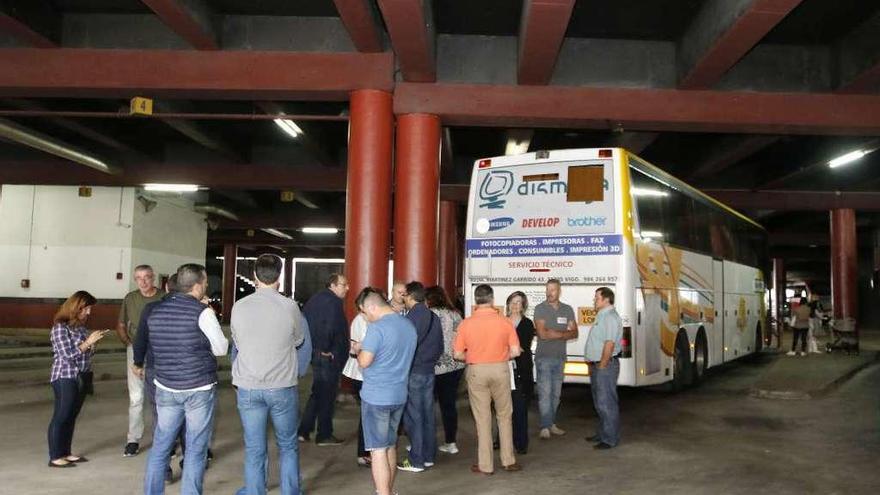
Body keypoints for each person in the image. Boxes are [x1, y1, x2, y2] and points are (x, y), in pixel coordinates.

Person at [143, 264, 228, 495]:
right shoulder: (202, 312)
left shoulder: (156, 311)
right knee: (196, 448)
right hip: (198, 388)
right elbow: (221, 348)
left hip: (165, 386)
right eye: (206, 284)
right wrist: (207, 312)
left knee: (161, 446)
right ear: (198, 285)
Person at [231, 254, 305, 495]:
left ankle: (254, 490)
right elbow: (299, 339)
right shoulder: (289, 306)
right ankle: (290, 492)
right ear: (279, 276)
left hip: (248, 386)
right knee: (288, 445)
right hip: (282, 385)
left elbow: (238, 343)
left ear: (254, 276)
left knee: (254, 447)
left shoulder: (239, 306)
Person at [351, 288, 417, 495]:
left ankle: (383, 493)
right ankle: (388, 490)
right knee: (390, 445)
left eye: (365, 312)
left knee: (377, 450)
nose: (366, 317)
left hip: (376, 397)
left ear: (372, 306)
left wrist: (358, 349)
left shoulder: (376, 328)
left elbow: (364, 361)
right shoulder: (408, 325)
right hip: (399, 394)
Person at [454, 284, 522, 475]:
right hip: (500, 370)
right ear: (492, 300)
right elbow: (515, 351)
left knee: (482, 419)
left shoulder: (466, 323)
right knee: (504, 415)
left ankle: (486, 465)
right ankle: (508, 461)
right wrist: (500, 355)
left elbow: (457, 353)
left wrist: (474, 357)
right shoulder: (505, 322)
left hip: (477, 371)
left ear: (476, 300)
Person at [47, 291, 108, 468]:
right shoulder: (60, 328)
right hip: (65, 376)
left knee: (72, 416)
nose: (88, 312)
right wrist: (88, 342)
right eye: (86, 308)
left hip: (81, 375)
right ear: (76, 307)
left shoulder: (80, 328)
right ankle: (55, 456)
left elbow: (85, 354)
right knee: (62, 415)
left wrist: (92, 344)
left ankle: (65, 452)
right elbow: (67, 354)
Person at [132, 275, 181, 482]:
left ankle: (163, 470)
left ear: (166, 288)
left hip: (155, 370)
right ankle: (189, 462)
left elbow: (140, 338)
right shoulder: (196, 310)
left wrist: (137, 362)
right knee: (188, 420)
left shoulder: (151, 309)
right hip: (185, 372)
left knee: (161, 419)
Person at [116, 264, 165, 457]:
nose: (143, 281)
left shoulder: (163, 297)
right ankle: (133, 439)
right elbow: (121, 324)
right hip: (135, 350)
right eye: (138, 278)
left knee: (160, 397)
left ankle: (164, 438)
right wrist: (128, 343)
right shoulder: (130, 298)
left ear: (153, 278)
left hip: (159, 352)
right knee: (136, 398)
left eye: (146, 277)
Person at [298, 273, 350, 445]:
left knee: (318, 393)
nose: (347, 288)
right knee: (327, 395)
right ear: (333, 286)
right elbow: (328, 327)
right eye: (344, 285)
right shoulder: (333, 301)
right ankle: (324, 434)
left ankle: (304, 430)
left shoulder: (316, 299)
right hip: (326, 356)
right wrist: (328, 349)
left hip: (315, 353)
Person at [398, 282, 443, 473]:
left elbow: (405, 346)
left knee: (414, 417)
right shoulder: (434, 317)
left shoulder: (411, 318)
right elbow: (440, 346)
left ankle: (416, 460)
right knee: (427, 414)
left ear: (409, 296)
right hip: (429, 371)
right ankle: (428, 455)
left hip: (413, 371)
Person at [533, 279, 578, 439]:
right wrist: (563, 334)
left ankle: (551, 423)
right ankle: (545, 426)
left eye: (552, 290)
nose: (549, 292)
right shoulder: (540, 309)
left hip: (560, 358)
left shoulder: (567, 310)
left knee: (556, 394)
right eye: (547, 289)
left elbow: (575, 333)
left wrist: (555, 334)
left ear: (559, 291)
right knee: (545, 393)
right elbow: (542, 334)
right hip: (543, 358)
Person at [426, 285, 465, 456]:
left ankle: (427, 443)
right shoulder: (456, 314)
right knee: (448, 405)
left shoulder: (429, 315)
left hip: (435, 366)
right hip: (455, 365)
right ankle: (451, 442)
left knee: (427, 406)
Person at [584, 287, 623, 450]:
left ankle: (609, 439)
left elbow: (609, 344)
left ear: (606, 299)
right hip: (598, 365)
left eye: (597, 297)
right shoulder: (603, 315)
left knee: (606, 403)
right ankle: (603, 433)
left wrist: (601, 365)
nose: (594, 300)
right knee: (600, 403)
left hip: (604, 366)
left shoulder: (611, 318)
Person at [506, 291, 535, 455]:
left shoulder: (527, 324)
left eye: (519, 302)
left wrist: (508, 349)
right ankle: (501, 439)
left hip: (521, 371)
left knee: (520, 407)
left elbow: (522, 348)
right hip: (503, 369)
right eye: (513, 302)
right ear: (508, 303)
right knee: (503, 408)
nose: (516, 305)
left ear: (523, 306)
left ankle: (521, 443)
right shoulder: (501, 322)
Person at [342, 309, 370, 467]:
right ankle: (364, 453)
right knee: (367, 415)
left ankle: (366, 452)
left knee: (368, 415)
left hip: (364, 375)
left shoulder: (369, 320)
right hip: (362, 375)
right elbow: (356, 350)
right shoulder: (361, 320)